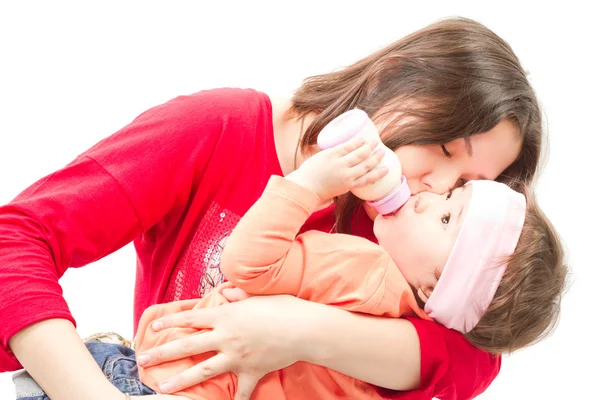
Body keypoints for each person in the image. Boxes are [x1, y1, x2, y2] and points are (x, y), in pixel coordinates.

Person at [0, 17, 554, 400]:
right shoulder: (220, 130)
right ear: (398, 77)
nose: (435, 187)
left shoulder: (405, 240)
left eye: (466, 184)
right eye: (444, 148)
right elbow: (16, 241)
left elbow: (473, 357)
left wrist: (296, 330)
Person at [128, 135, 565, 400]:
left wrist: (310, 185)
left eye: (447, 217)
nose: (433, 192)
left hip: (157, 381)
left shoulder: (365, 268)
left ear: (435, 291)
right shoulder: (391, 354)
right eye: (455, 195)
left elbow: (246, 264)